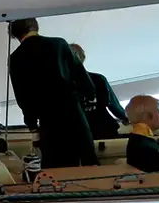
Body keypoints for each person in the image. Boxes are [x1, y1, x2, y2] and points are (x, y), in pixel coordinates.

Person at [8, 18, 99, 168]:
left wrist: (32, 126)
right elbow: (85, 81)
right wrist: (84, 99)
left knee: (56, 169)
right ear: (35, 27)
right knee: (88, 164)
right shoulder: (59, 44)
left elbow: (23, 98)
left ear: (14, 35)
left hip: (48, 121)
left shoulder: (15, 58)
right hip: (74, 114)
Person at [69, 43, 129, 139]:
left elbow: (113, 104)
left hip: (90, 131)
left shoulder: (98, 80)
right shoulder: (98, 79)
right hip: (98, 130)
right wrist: (126, 118)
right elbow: (113, 105)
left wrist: (126, 117)